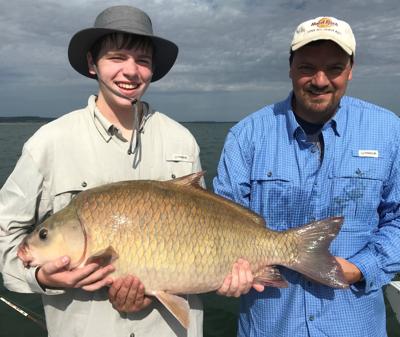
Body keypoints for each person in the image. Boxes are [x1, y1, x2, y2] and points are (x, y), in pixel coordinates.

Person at [0, 5, 205, 337]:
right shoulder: (49, 142)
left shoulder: (182, 141)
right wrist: (40, 278)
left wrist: (237, 270)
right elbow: (5, 233)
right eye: (117, 57)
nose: (131, 71)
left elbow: (206, 233)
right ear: (92, 64)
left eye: (143, 61)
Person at [213, 16, 400, 337]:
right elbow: (219, 224)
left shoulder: (389, 130)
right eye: (307, 67)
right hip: (271, 325)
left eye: (334, 68)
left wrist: (360, 268)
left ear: (351, 70)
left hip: (355, 325)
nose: (320, 80)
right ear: (290, 67)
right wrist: (228, 272)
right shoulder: (247, 135)